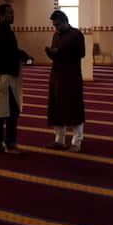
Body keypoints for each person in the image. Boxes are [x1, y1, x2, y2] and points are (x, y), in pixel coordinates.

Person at [0, 3, 30, 154]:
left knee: (5, 113)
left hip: (5, 76)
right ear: (0, 15)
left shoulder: (5, 30)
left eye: (13, 13)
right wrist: (22, 55)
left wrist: (22, 55)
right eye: (9, 13)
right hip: (3, 77)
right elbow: (9, 53)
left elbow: (11, 51)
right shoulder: (3, 30)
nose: (12, 16)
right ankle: (7, 144)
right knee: (7, 113)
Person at [45, 9, 86, 152]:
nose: (56, 28)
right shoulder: (56, 35)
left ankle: (77, 142)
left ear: (65, 22)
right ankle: (59, 140)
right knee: (57, 107)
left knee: (74, 108)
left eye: (58, 25)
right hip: (57, 76)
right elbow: (56, 52)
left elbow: (81, 53)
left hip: (72, 76)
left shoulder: (76, 34)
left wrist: (61, 53)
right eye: (54, 25)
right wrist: (52, 53)